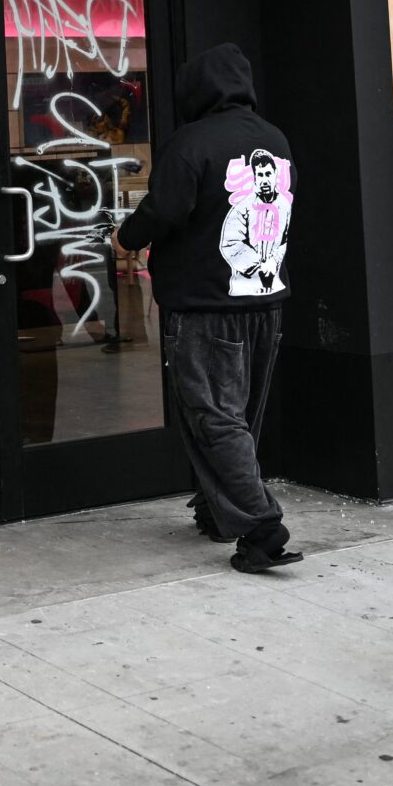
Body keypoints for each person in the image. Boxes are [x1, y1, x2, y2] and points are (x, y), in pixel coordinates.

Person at [116, 43, 301, 573]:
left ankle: (262, 527)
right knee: (240, 415)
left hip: (205, 304)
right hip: (264, 301)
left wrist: (126, 237)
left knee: (214, 416)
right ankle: (222, 514)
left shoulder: (191, 142)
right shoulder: (275, 140)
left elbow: (165, 210)